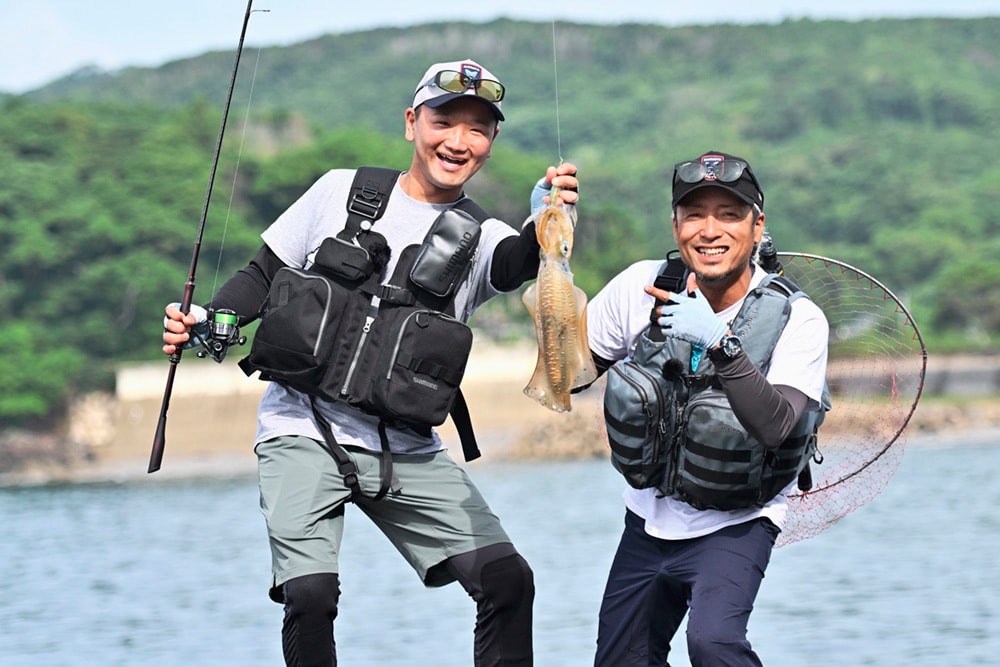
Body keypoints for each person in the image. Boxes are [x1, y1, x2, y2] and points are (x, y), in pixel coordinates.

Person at [162, 58, 578, 666]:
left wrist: (548, 216)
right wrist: (209, 319)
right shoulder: (340, 190)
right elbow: (262, 275)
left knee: (508, 581)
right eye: (444, 121)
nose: (458, 141)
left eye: (479, 129)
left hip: (405, 446)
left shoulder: (483, 235)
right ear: (413, 122)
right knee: (309, 596)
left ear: (491, 143)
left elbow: (520, 263)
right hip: (302, 425)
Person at [585, 151, 829, 666]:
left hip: (739, 520)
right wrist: (549, 257)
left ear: (758, 226)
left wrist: (722, 343)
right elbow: (566, 378)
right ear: (675, 225)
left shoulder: (799, 319)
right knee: (620, 660)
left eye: (729, 214)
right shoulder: (640, 287)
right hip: (648, 520)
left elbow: (777, 427)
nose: (709, 230)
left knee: (713, 644)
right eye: (694, 214)